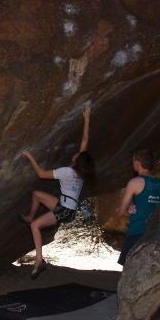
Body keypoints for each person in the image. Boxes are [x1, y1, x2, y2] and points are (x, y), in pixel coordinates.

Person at [21, 105, 97, 280]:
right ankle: (29, 216)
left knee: (36, 227)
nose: (77, 153)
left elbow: (41, 174)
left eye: (78, 154)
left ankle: (39, 261)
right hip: (66, 205)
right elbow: (85, 141)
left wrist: (30, 157)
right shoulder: (81, 170)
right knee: (37, 194)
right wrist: (87, 119)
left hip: (64, 210)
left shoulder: (67, 172)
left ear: (77, 161)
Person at [115, 148, 160, 266]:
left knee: (128, 266)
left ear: (137, 163)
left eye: (133, 162)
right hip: (154, 230)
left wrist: (129, 210)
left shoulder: (135, 182)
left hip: (137, 230)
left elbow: (121, 211)